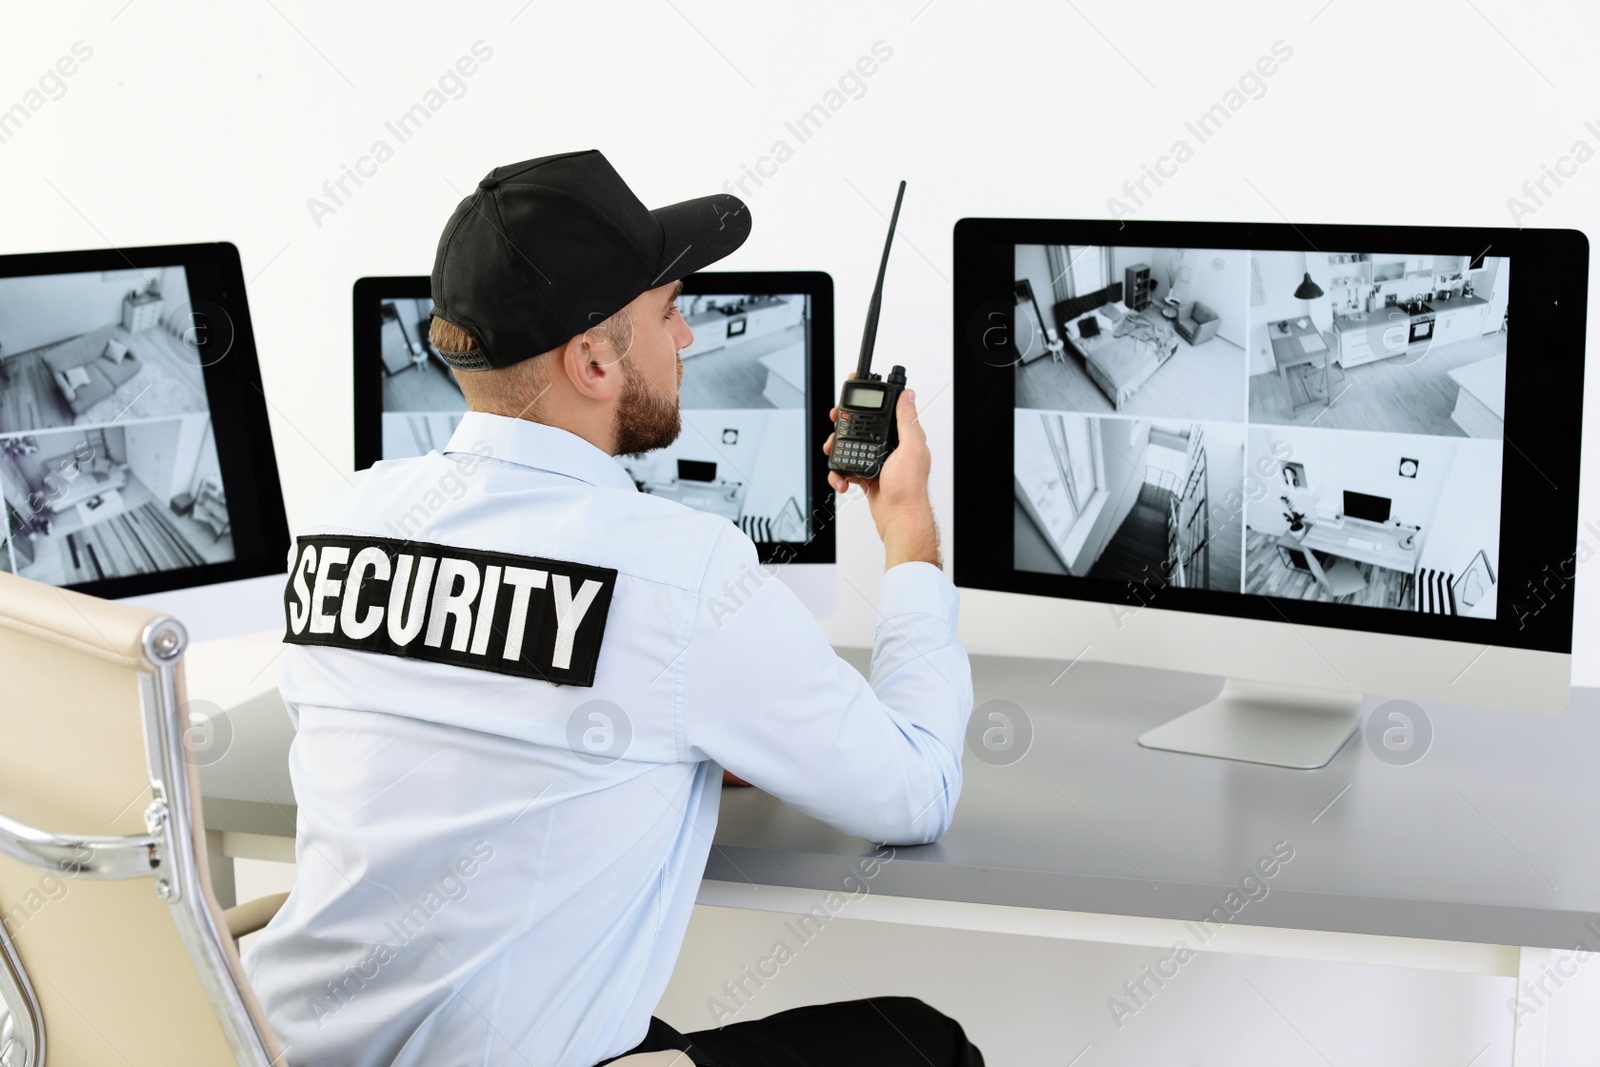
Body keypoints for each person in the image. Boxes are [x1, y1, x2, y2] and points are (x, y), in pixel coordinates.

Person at [245, 149, 981, 1067]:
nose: (689, 341)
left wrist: (688, 726)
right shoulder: (684, 573)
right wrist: (909, 531)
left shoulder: (335, 523)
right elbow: (917, 794)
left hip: (268, 1049)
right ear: (592, 356)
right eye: (668, 313)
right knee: (921, 1042)